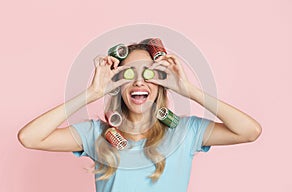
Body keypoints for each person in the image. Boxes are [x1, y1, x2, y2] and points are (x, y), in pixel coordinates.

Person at [17, 40, 262, 192]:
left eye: (149, 74)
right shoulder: (97, 134)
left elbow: (250, 131)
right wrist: (90, 94)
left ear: (162, 83)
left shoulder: (185, 132)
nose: (138, 81)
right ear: (116, 85)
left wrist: (190, 91)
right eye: (128, 74)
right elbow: (30, 138)